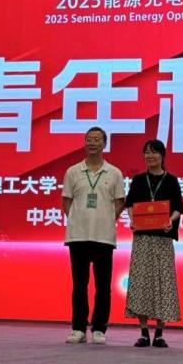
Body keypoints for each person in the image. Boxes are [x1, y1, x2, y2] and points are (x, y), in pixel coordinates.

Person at [61, 126, 125, 344]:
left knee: (103, 286)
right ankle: (78, 328)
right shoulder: (73, 171)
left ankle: (99, 328)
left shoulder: (114, 173)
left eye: (97, 139)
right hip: (78, 236)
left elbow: (119, 202)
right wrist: (79, 219)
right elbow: (66, 201)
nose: (92, 143)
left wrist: (104, 219)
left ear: (104, 144)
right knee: (79, 285)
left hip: (104, 237)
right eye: (89, 139)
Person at [124, 139, 183, 348]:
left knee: (162, 283)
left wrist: (170, 221)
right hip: (142, 239)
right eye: (146, 152)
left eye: (154, 152)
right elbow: (130, 204)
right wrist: (133, 220)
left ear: (162, 155)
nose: (150, 156)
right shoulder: (138, 180)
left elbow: (179, 208)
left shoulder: (171, 180)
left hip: (163, 239)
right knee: (141, 283)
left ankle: (159, 333)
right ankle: (143, 332)